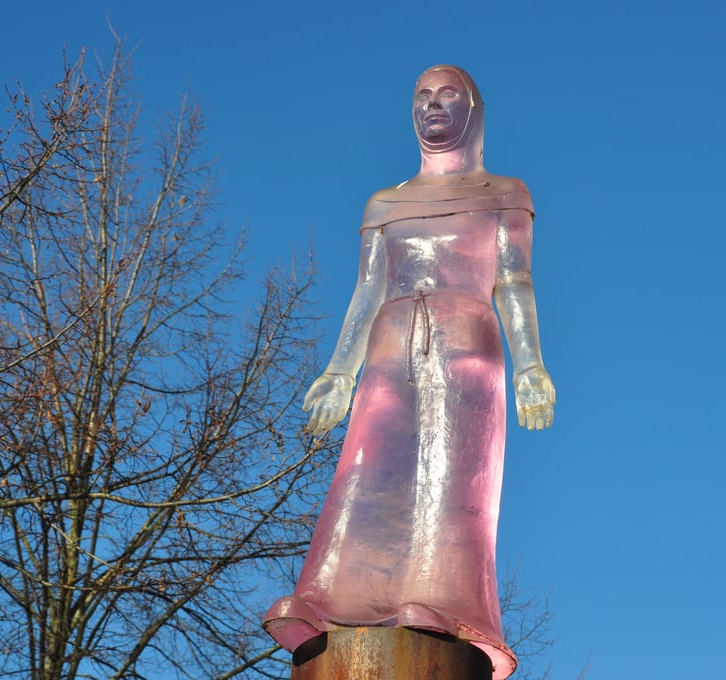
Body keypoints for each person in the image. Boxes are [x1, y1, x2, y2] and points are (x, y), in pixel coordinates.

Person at [264, 65, 555, 679]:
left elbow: (514, 281)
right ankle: (329, 597)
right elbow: (368, 289)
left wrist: (530, 364)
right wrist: (339, 371)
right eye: (422, 96)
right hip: (390, 346)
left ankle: (440, 600)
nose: (433, 106)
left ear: (473, 110)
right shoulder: (386, 203)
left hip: (467, 348)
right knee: (366, 470)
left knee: (449, 478)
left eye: (448, 95)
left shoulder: (504, 193)